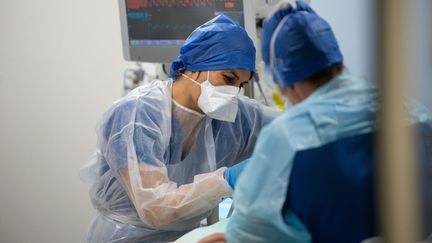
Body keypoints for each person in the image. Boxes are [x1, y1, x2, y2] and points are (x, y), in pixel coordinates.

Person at [199, 1, 432, 243]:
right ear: (336, 60)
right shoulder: (413, 112)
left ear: (282, 81)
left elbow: (255, 234)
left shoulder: (286, 139)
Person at [80, 15, 280, 242]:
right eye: (228, 78)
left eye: (241, 84)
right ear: (197, 66)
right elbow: (156, 209)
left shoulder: (237, 117)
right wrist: (227, 179)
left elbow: (293, 129)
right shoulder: (137, 114)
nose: (234, 91)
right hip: (125, 237)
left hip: (191, 236)